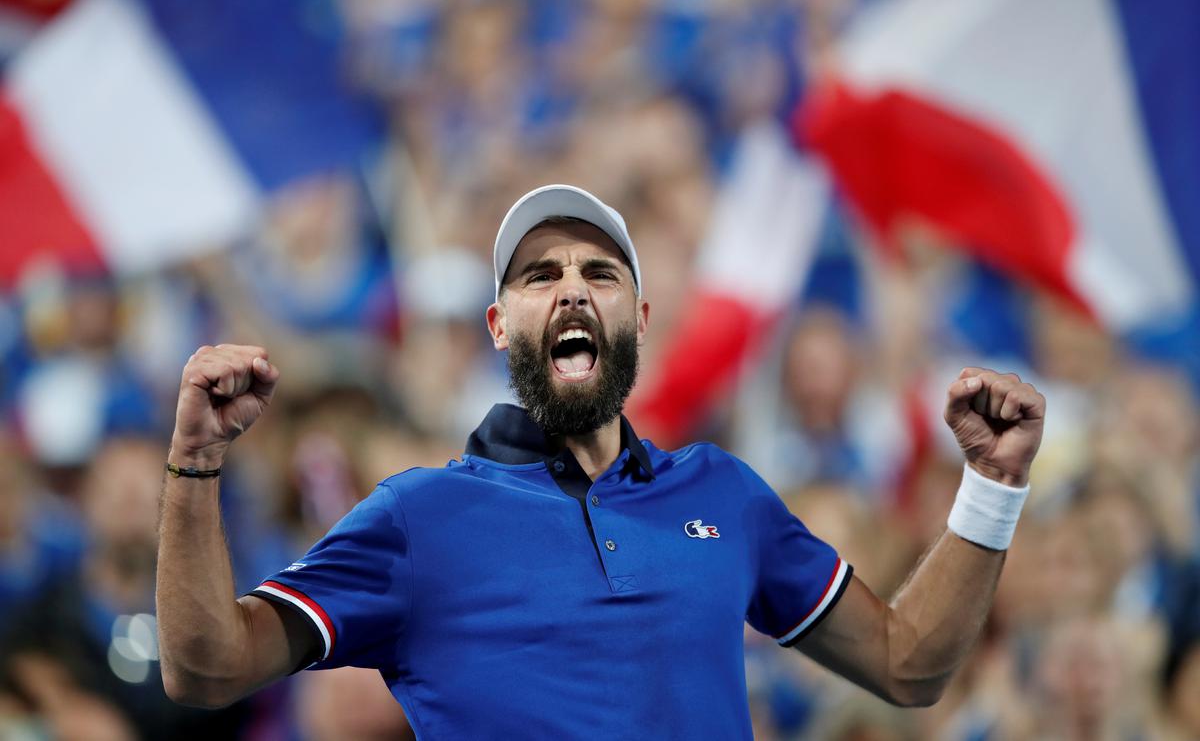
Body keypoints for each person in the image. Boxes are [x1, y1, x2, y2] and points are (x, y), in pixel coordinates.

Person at [156, 184, 1046, 739]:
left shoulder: (725, 495)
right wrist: (195, 465)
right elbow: (205, 668)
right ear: (500, 329)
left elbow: (907, 664)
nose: (573, 286)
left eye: (600, 272)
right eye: (539, 275)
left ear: (640, 320)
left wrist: (993, 486)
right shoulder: (414, 520)